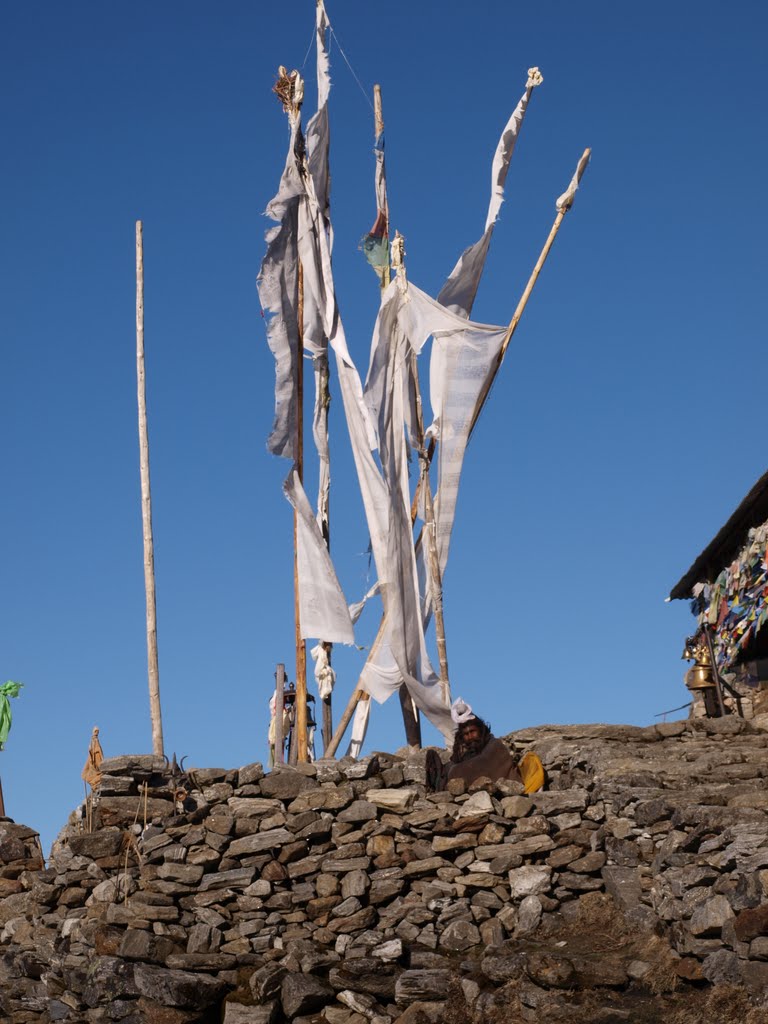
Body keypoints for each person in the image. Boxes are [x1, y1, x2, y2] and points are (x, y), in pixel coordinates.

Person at [426, 697, 523, 792]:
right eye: (466, 734)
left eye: (473, 731)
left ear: (480, 730)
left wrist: (453, 772)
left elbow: (481, 764)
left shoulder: (495, 745)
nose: (470, 736)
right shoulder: (465, 752)